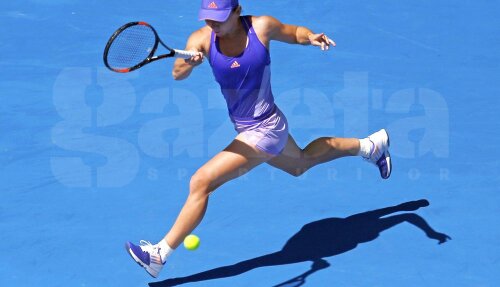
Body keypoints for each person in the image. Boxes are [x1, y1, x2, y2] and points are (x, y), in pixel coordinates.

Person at [125, 0, 392, 278]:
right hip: (251, 127)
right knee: (300, 164)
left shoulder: (261, 27)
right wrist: (189, 63)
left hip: (266, 127)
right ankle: (370, 145)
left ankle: (159, 254)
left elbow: (294, 32)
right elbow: (177, 73)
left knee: (202, 182)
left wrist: (311, 36)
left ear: (237, 11)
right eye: (208, 17)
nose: (212, 23)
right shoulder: (200, 39)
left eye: (219, 17)